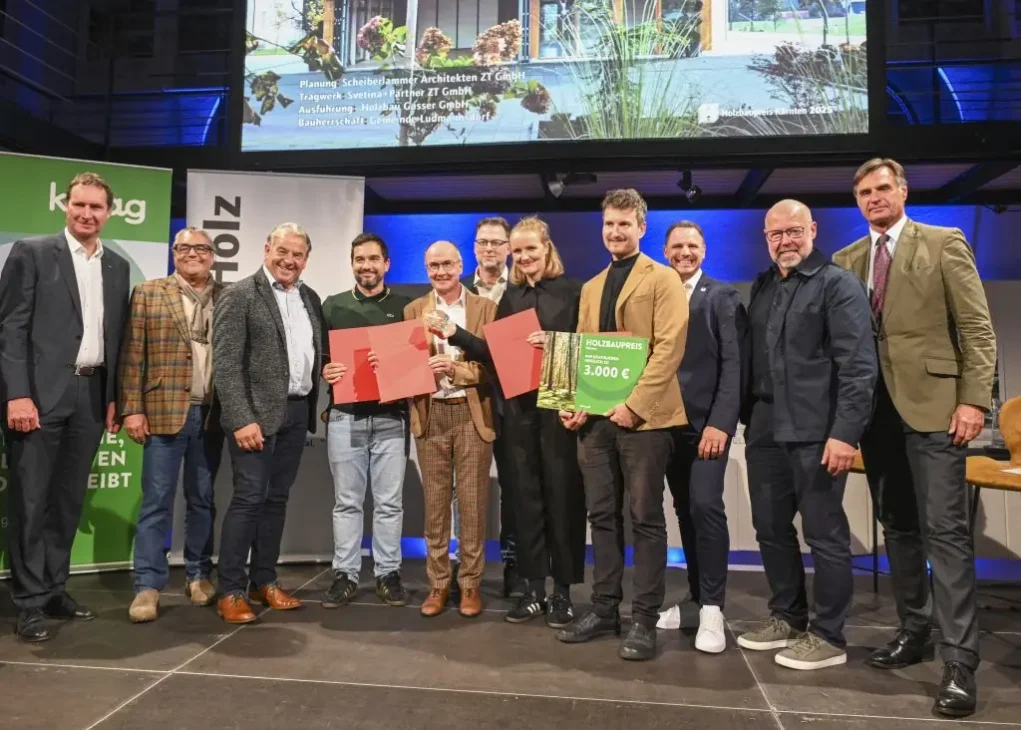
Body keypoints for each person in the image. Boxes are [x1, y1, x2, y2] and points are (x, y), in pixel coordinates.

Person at [834, 158, 996, 716]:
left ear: (903, 191)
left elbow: (976, 327)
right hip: (876, 415)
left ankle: (959, 661)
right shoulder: (847, 260)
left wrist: (974, 400)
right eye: (864, 192)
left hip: (937, 409)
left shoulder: (944, 242)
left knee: (945, 532)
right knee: (899, 527)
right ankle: (914, 629)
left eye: (883, 188)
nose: (874, 198)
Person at [736, 199, 876, 671]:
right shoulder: (763, 285)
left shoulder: (838, 284)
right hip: (764, 426)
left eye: (794, 231)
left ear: (813, 229)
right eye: (776, 234)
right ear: (766, 238)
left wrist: (845, 434)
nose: (786, 241)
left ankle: (829, 635)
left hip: (817, 431)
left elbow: (858, 367)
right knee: (770, 528)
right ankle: (788, 617)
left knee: (824, 533)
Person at [554, 189, 688, 661]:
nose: (615, 231)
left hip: (645, 421)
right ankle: (604, 609)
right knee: (601, 517)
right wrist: (573, 403)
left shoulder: (664, 278)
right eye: (609, 224)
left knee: (645, 518)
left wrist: (633, 405)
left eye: (624, 224)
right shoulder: (592, 286)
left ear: (641, 228)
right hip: (596, 421)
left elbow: (669, 349)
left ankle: (644, 619)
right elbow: (584, 349)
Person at [437, 217, 587, 628]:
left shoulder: (574, 291)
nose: (523, 257)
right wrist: (456, 334)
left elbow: (592, 347)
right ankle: (533, 590)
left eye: (530, 249)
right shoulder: (512, 296)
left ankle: (563, 593)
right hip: (519, 408)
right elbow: (494, 351)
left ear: (547, 248)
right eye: (517, 251)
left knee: (563, 500)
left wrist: (554, 343)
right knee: (524, 501)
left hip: (559, 407)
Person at [0, 172, 130, 642]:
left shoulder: (117, 266)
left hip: (91, 396)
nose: (86, 214)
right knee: (31, 500)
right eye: (79, 204)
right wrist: (17, 394)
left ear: (109, 212)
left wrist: (114, 397)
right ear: (65, 205)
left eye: (96, 207)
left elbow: (115, 338)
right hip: (38, 395)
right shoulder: (32, 253)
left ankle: (54, 588)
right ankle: (29, 601)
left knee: (68, 500)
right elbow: (10, 329)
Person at [211, 222, 325, 624]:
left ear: (306, 260)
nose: (289, 260)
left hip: (296, 412)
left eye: (298, 254)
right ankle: (230, 590)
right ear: (266, 250)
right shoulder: (240, 294)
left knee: (276, 500)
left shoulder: (310, 297)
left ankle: (264, 581)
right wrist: (241, 419)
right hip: (254, 418)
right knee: (249, 499)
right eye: (283, 251)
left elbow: (315, 354)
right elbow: (225, 365)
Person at [120, 227, 225, 623]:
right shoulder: (149, 293)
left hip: (211, 415)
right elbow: (133, 355)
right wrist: (132, 409)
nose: (192, 254)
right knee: (156, 501)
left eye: (200, 248)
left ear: (212, 255)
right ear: (173, 252)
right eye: (184, 248)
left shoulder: (227, 296)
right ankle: (148, 585)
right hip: (162, 410)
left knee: (202, 499)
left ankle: (198, 575)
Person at [660, 221, 746, 654]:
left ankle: (713, 607)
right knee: (685, 511)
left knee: (706, 507)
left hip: (706, 427)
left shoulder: (722, 296)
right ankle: (695, 599)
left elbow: (734, 364)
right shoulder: (657, 295)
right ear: (665, 251)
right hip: (665, 425)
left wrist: (721, 423)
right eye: (677, 246)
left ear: (705, 250)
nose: (684, 252)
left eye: (692, 245)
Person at [406, 241, 497, 618]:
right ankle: (439, 583)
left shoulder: (485, 308)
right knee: (436, 505)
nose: (440, 272)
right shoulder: (413, 310)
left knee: (472, 504)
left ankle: (470, 583)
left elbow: (495, 365)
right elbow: (405, 364)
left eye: (447, 264)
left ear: (461, 265)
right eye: (433, 266)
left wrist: (456, 371)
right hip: (431, 414)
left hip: (471, 414)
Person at [320, 233, 411, 609]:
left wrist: (397, 365)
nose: (366, 265)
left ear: (386, 264)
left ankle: (388, 573)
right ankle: (345, 574)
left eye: (374, 259)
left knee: (389, 504)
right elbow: (320, 356)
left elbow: (416, 363)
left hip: (392, 417)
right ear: (352, 263)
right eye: (359, 259)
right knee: (347, 502)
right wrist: (324, 370)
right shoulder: (333, 305)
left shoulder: (406, 308)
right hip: (345, 416)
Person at [448, 216, 524, 601]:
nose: (489, 248)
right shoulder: (455, 292)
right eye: (483, 242)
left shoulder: (525, 289)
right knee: (464, 490)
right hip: (467, 400)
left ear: (508, 248)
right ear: (474, 248)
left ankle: (514, 565)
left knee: (515, 487)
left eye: (497, 242)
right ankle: (463, 564)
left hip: (515, 403)